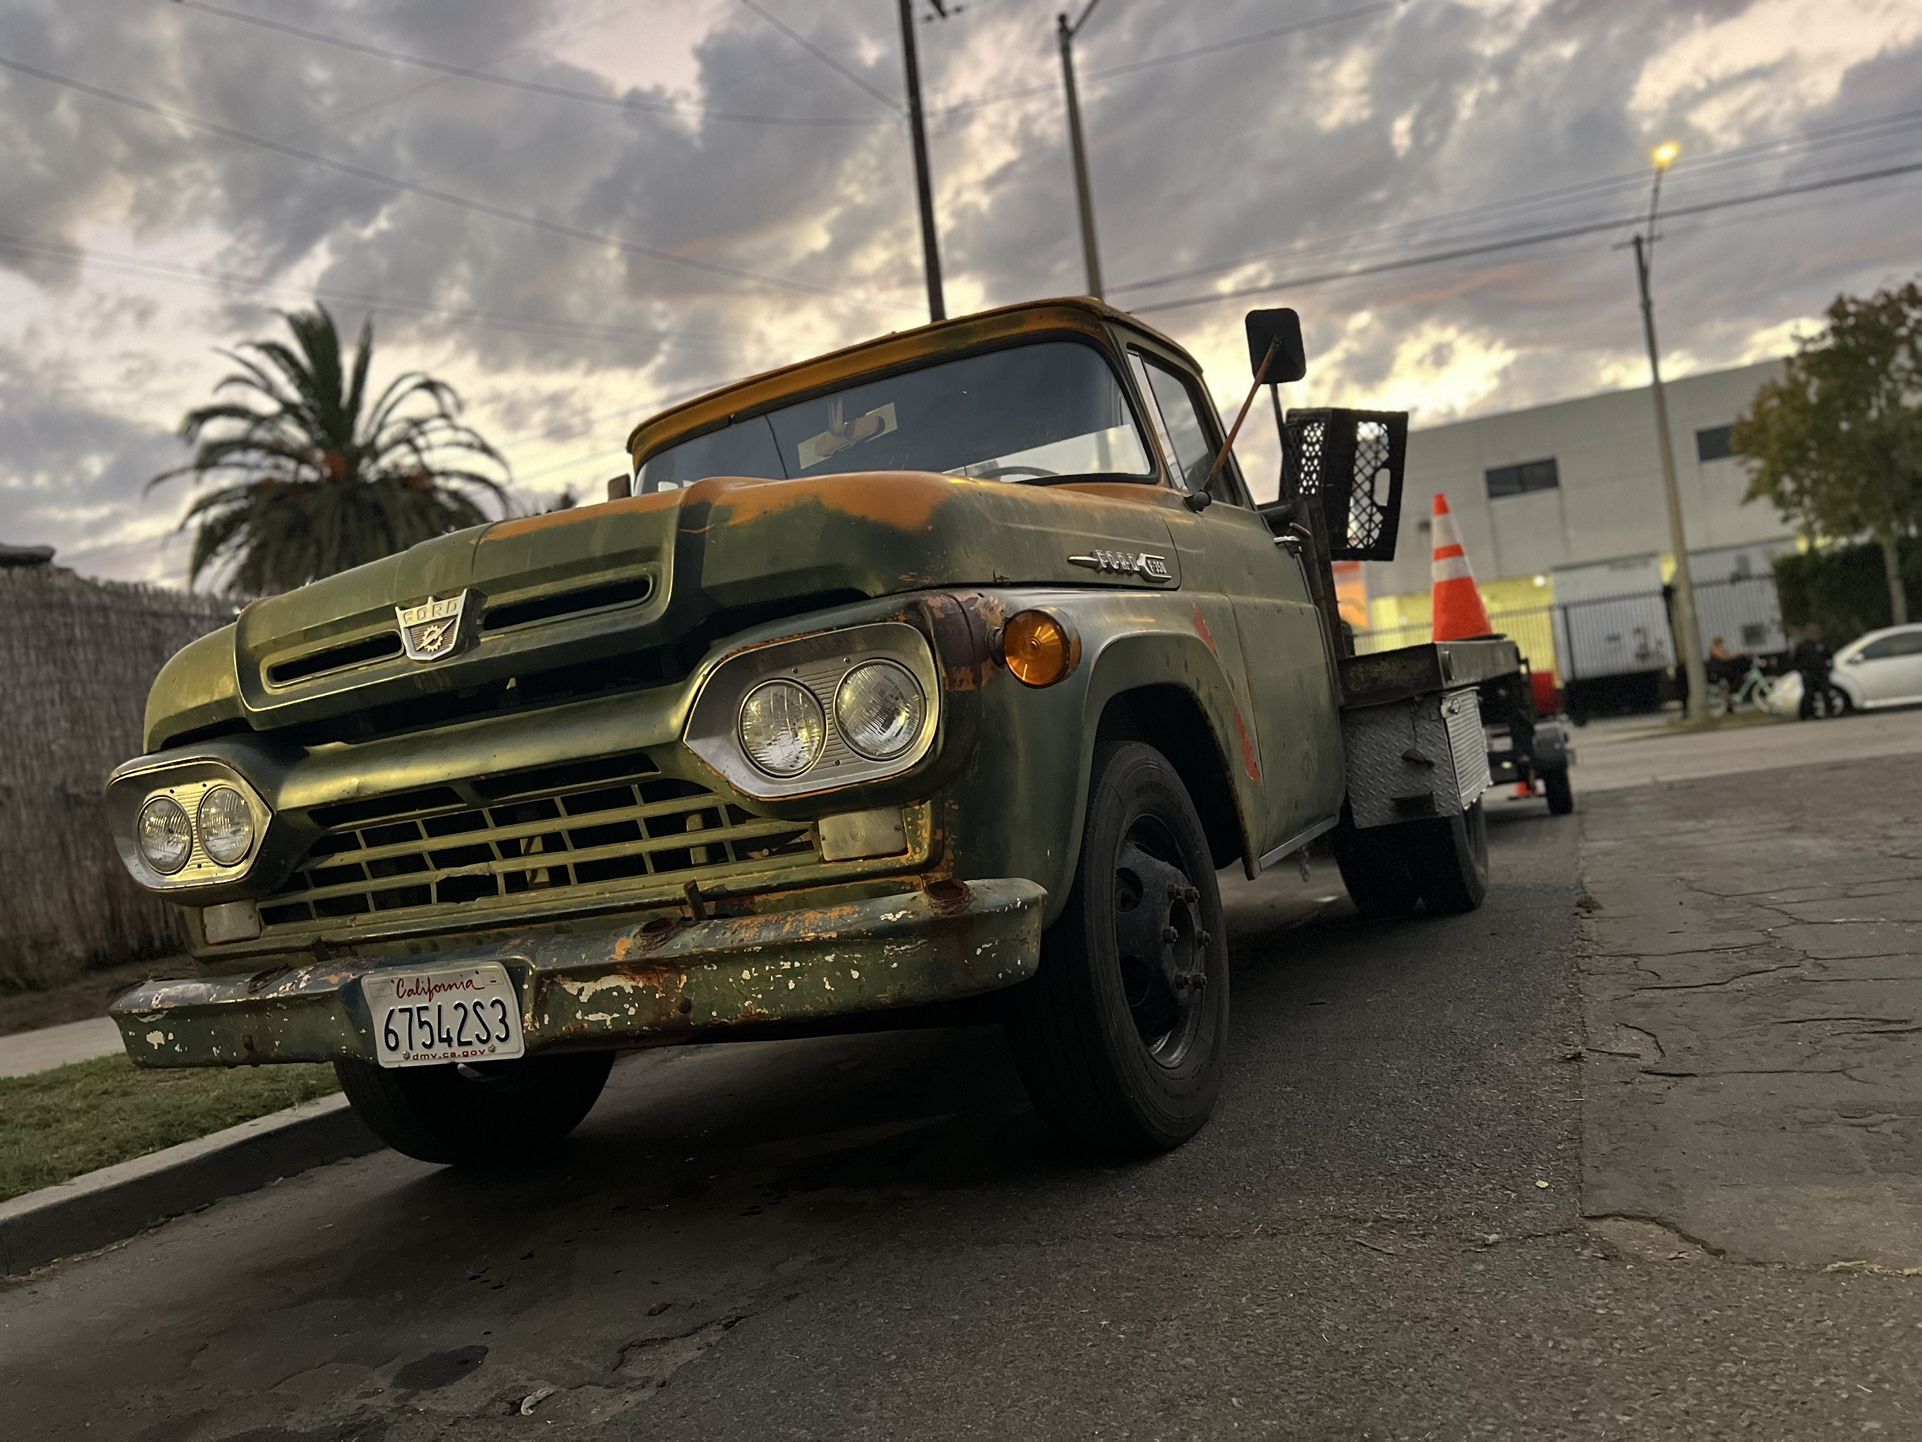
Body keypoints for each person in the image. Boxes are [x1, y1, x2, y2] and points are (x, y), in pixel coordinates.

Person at [1790, 626, 1838, 720]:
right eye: (1812, 633)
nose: (1814, 635)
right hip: (1808, 675)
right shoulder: (1802, 646)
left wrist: (1828, 669)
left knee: (1826, 693)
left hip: (1821, 674)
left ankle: (1830, 712)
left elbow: (1829, 658)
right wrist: (1802, 671)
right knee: (1809, 695)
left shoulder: (1822, 645)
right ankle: (1809, 714)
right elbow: (1795, 661)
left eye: (1816, 633)